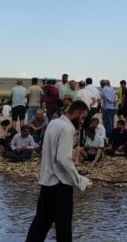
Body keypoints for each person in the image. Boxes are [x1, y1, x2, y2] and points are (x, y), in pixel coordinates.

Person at [26, 101, 90, 242]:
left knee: (40, 226)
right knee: (64, 229)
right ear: (78, 112)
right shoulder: (67, 129)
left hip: (46, 184)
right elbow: (63, 159)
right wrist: (78, 180)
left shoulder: (53, 123)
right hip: (60, 187)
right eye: (83, 118)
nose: (82, 122)